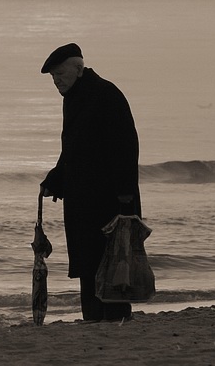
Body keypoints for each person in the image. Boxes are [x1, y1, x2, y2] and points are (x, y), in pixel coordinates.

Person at [39, 43, 141, 322]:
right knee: (88, 264)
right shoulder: (74, 97)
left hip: (110, 200)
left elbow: (126, 147)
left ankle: (115, 319)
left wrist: (125, 199)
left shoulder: (106, 94)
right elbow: (73, 149)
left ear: (79, 69)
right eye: (53, 77)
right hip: (82, 200)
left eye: (60, 73)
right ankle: (94, 320)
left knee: (113, 263)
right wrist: (55, 180)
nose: (57, 80)